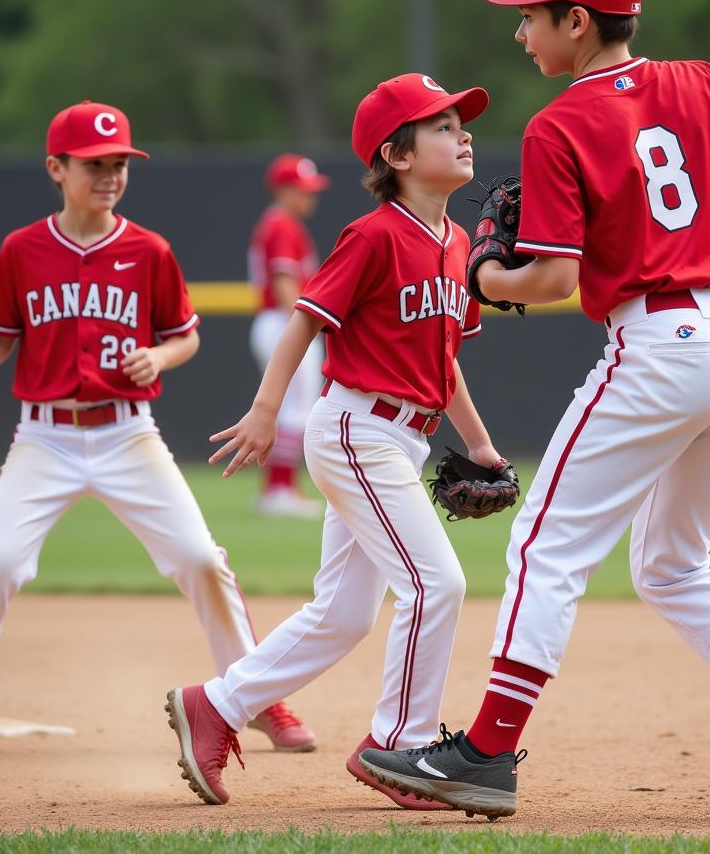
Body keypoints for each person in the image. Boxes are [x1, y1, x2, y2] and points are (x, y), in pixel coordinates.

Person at [359, 0, 710, 820]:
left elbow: (551, 279)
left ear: (579, 21)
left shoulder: (561, 123)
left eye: (531, 16)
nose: (522, 33)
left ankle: (485, 752)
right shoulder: (704, 81)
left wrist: (480, 272)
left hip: (662, 344)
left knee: (544, 547)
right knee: (672, 563)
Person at [0, 100, 315, 759]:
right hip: (44, 437)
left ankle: (255, 699)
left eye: (119, 163)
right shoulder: (23, 250)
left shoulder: (149, 250)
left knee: (203, 561)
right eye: (95, 164)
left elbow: (186, 336)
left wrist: (161, 356)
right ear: (56, 168)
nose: (110, 174)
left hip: (128, 434)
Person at [164, 73, 509, 810]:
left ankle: (215, 705)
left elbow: (442, 361)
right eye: (443, 125)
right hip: (357, 429)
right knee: (435, 583)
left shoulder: (454, 244)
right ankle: (399, 746)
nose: (464, 133)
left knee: (344, 613)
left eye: (462, 123)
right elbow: (305, 319)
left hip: (400, 439)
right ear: (400, 155)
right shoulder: (375, 232)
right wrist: (265, 409)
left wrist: (478, 445)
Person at [247, 153, 330, 518]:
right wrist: (300, 329)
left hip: (280, 324)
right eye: (302, 189)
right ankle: (279, 490)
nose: (309, 196)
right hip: (285, 323)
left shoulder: (281, 223)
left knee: (289, 408)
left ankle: (278, 488)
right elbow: (284, 284)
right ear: (282, 189)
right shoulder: (281, 225)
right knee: (296, 409)